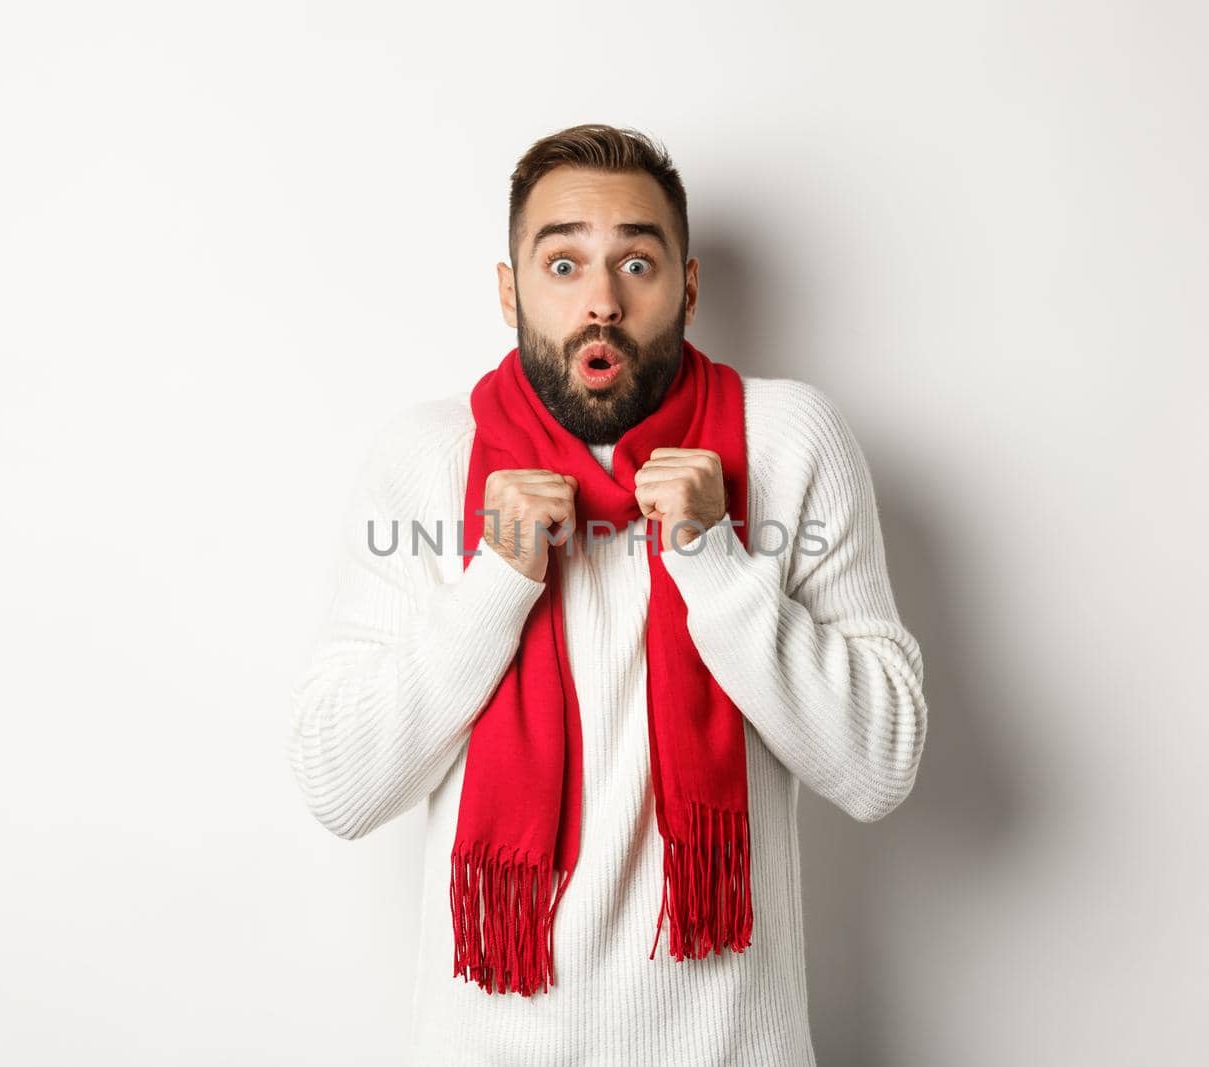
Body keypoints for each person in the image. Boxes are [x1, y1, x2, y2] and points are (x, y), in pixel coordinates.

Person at [288, 123, 928, 1066]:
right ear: (508, 290)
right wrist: (495, 582)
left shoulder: (789, 441)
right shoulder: (428, 460)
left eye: (637, 261)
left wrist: (713, 557)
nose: (600, 301)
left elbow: (878, 766)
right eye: (562, 263)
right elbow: (340, 784)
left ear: (689, 286)